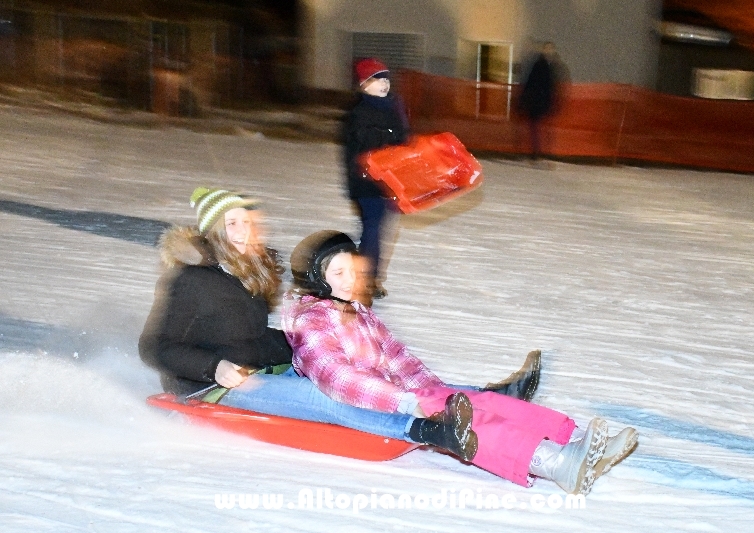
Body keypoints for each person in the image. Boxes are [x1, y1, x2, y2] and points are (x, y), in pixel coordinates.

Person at [138, 188, 533, 460]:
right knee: (327, 396)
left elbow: (250, 336)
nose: (243, 232)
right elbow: (155, 347)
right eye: (232, 224)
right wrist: (213, 369)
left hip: (259, 367)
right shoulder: (190, 280)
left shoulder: (251, 273)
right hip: (210, 387)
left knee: (360, 370)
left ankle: (486, 397)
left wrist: (310, 343)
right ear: (214, 230)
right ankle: (430, 431)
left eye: (247, 222)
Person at [283, 230, 639, 494]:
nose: (350, 280)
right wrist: (408, 400)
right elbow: (336, 377)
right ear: (317, 278)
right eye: (338, 273)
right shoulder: (312, 321)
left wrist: (433, 387)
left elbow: (396, 353)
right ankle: (555, 462)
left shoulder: (356, 311)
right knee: (468, 419)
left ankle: (572, 441)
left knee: (477, 401)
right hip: (370, 405)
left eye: (352, 270)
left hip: (400, 394)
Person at [342, 57, 409, 300]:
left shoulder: (392, 108)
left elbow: (403, 141)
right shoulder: (360, 112)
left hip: (389, 181)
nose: (384, 84)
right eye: (377, 79)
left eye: (386, 78)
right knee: (372, 229)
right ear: (363, 84)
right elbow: (364, 146)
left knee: (378, 230)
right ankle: (368, 279)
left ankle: (363, 274)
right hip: (366, 181)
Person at [518, 41, 558, 162]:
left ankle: (539, 151)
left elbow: (551, 85)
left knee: (538, 127)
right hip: (537, 101)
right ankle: (537, 151)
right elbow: (533, 83)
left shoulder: (551, 65)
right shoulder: (540, 65)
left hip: (542, 101)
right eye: (546, 49)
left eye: (549, 49)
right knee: (535, 127)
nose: (548, 51)